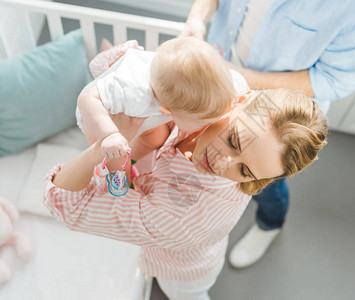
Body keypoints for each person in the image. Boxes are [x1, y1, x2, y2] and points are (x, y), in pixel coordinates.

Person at [44, 89, 328, 299]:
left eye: (244, 171)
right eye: (233, 140)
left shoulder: (182, 215)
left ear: (264, 179)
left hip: (184, 271)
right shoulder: (215, 92)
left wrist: (105, 144)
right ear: (238, 100)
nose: (220, 162)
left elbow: (66, 204)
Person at [180, 0, 355, 268]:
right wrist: (196, 21)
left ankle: (269, 224)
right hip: (220, 72)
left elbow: (336, 78)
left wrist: (242, 77)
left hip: (273, 110)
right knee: (213, 152)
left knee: (259, 178)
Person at [76, 37, 242, 162]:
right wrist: (109, 135)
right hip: (99, 112)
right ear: (166, 111)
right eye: (202, 122)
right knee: (116, 157)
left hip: (137, 96)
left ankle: (132, 160)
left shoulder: (169, 71)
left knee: (156, 137)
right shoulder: (135, 94)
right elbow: (86, 99)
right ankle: (121, 167)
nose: (207, 126)